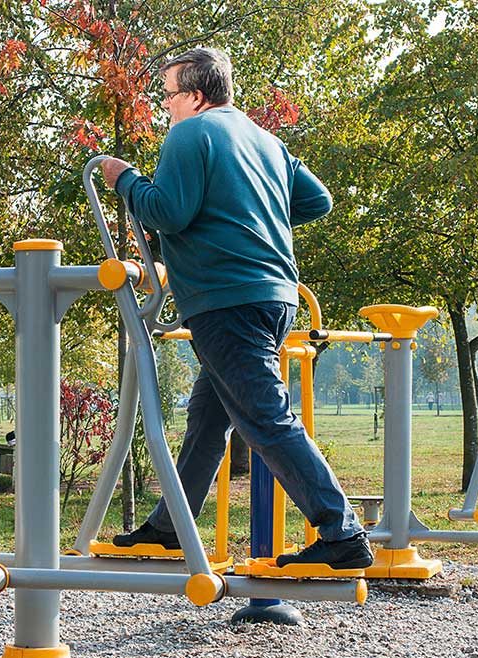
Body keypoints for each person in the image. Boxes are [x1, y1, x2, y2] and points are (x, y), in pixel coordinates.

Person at [101, 48, 372, 570]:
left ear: (195, 96)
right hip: (275, 295)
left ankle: (342, 533)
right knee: (207, 419)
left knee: (267, 418)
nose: (165, 105)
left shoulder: (189, 134)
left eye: (169, 95)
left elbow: (167, 213)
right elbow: (317, 200)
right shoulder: (266, 140)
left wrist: (125, 179)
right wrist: (249, 209)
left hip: (227, 298)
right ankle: (170, 527)